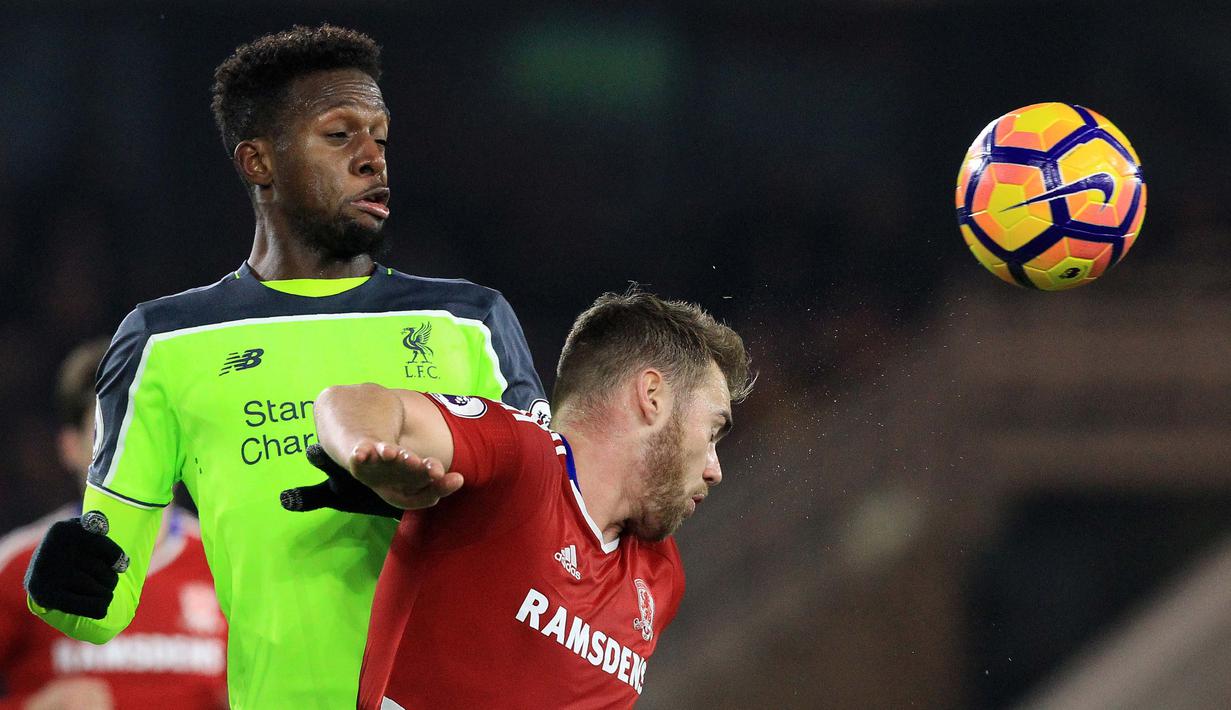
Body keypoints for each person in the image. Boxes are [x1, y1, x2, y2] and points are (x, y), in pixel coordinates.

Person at [21, 25, 546, 708]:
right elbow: (103, 598)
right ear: (257, 162)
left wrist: (428, 509)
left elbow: (554, 530)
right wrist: (62, 586)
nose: (372, 159)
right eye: (339, 135)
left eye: (379, 136)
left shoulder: (469, 323)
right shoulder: (164, 341)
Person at [296, 290, 752, 709]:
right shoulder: (521, 460)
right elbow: (350, 402)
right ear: (652, 395)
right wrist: (367, 450)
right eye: (712, 433)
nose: (715, 469)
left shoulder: (661, 578)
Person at [0, 339, 227, 710]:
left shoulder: (228, 557)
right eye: (108, 435)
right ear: (70, 447)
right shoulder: (19, 563)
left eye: (148, 433)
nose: (130, 455)